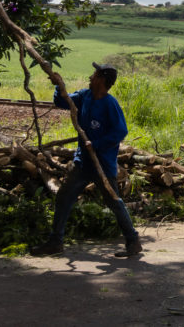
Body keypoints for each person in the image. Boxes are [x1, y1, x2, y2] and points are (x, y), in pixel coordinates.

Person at [30, 62, 142, 257]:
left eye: (94, 74)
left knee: (114, 201)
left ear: (101, 80)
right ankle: (55, 242)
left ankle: (133, 241)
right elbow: (63, 102)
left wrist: (96, 144)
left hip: (102, 164)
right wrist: (59, 85)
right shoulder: (84, 96)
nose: (90, 77)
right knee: (64, 197)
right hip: (83, 163)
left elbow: (120, 131)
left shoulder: (110, 104)